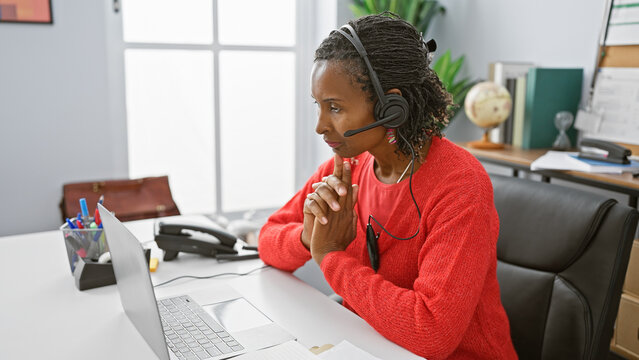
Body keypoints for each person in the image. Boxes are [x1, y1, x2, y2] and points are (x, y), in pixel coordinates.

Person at [258, 13, 517, 360]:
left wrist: (330, 257)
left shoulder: (460, 185)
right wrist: (309, 237)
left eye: (334, 108)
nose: (321, 125)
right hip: (368, 345)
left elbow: (431, 333)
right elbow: (268, 238)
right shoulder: (348, 167)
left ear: (390, 107)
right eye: (318, 106)